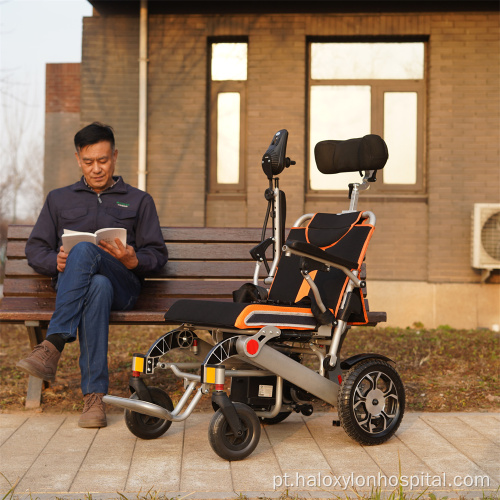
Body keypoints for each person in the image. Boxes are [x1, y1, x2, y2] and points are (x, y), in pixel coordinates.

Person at [17, 122, 168, 428]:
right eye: (88, 162)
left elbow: (158, 255)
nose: (96, 168)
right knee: (95, 284)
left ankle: (53, 344)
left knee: (84, 252)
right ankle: (94, 400)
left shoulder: (139, 200)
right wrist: (55, 262)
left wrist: (133, 259)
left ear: (114, 156)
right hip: (83, 288)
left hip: (124, 286)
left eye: (103, 160)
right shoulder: (59, 199)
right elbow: (35, 249)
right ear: (78, 159)